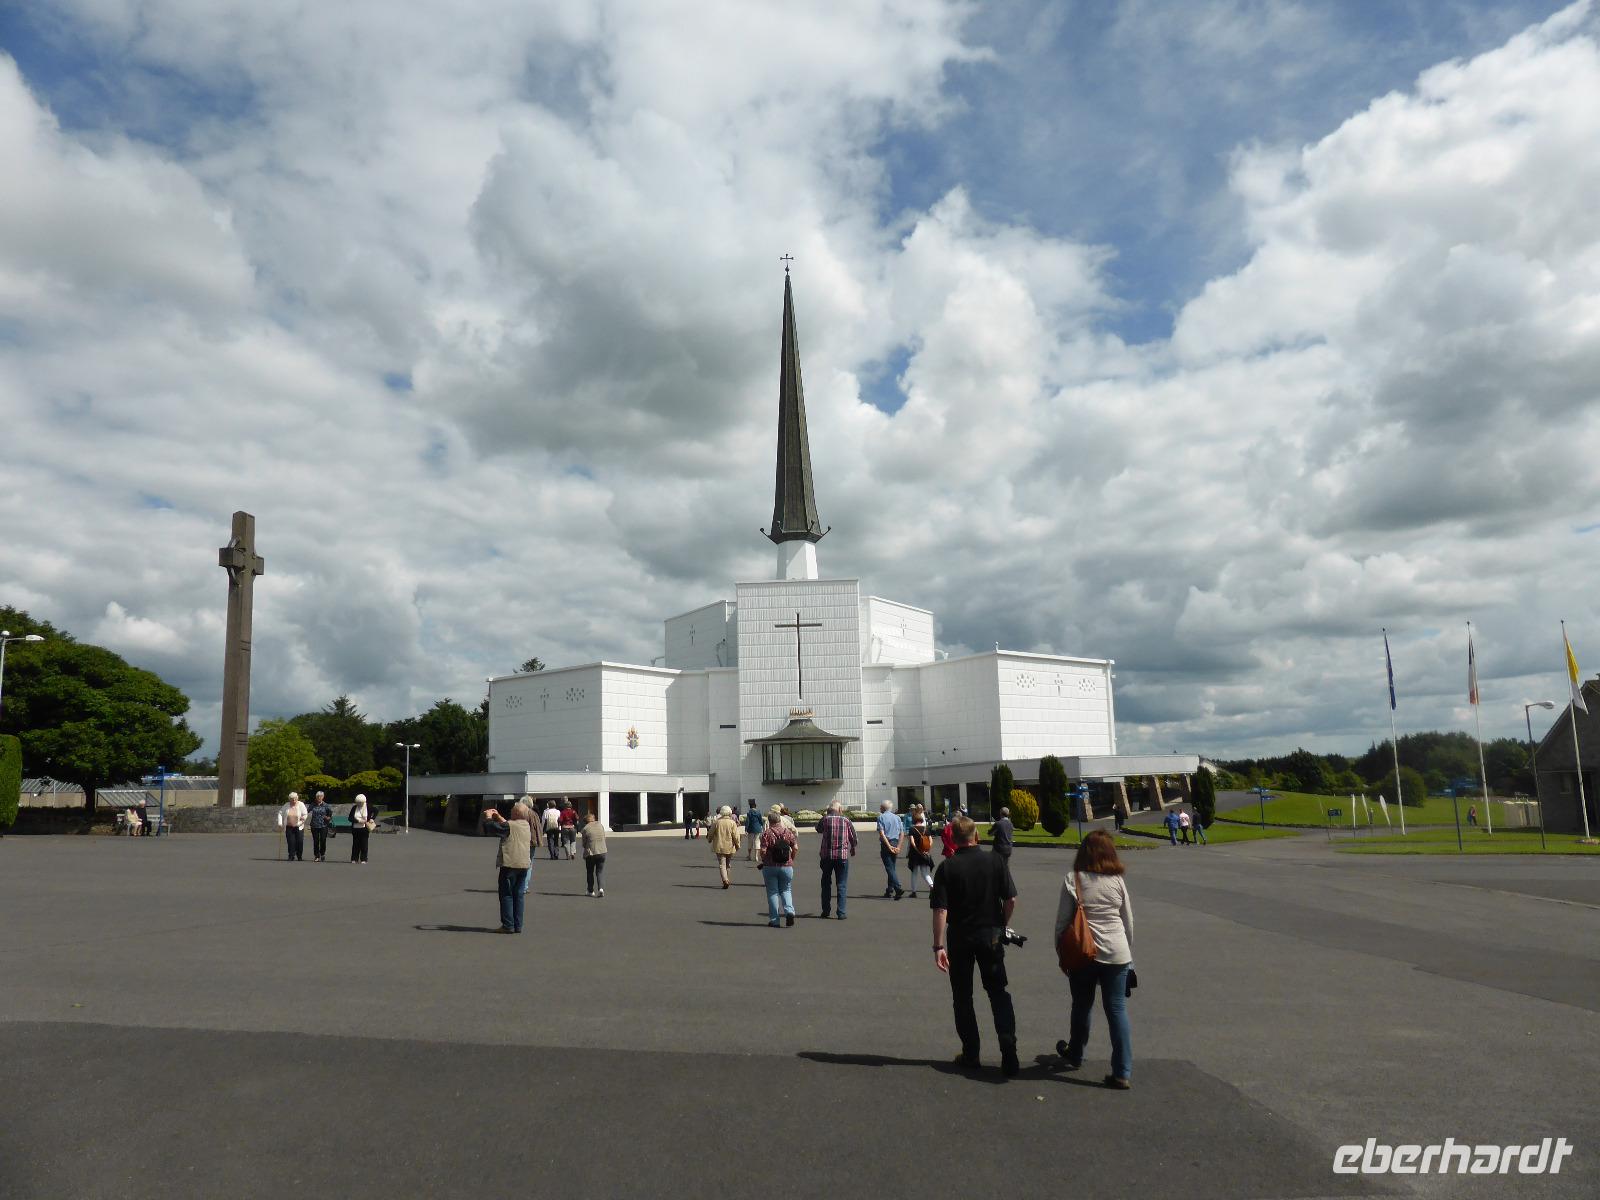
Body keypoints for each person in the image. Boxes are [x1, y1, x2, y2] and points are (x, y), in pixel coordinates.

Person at [929, 815, 1019, 1075]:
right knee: (998, 992)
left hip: (961, 936)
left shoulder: (948, 868)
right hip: (990, 933)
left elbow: (941, 910)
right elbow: (1011, 899)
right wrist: (1002, 924)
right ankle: (1008, 1049)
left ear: (953, 839)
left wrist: (938, 946)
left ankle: (971, 1052)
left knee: (963, 996)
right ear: (976, 836)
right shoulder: (996, 861)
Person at [1055, 829, 1134, 1089]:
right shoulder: (1117, 880)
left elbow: (1063, 923)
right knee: (1117, 1010)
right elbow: (1128, 921)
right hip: (1117, 951)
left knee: (1082, 1004)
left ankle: (1076, 1052)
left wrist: (1061, 953)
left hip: (1083, 952)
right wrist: (1127, 954)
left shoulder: (1073, 878)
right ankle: (1122, 1071)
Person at [484, 803, 533, 933]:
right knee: (519, 895)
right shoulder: (525, 825)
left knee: (506, 894)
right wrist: (499, 816)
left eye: (512, 811)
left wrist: (489, 817)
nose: (510, 813)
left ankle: (508, 925)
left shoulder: (511, 826)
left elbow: (492, 828)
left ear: (516, 814)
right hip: (524, 864)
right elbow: (508, 825)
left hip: (510, 863)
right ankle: (518, 925)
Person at [815, 800, 858, 919]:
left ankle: (826, 910)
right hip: (842, 856)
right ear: (840, 809)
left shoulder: (825, 819)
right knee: (841, 884)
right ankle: (841, 912)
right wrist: (853, 848)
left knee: (826, 883)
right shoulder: (846, 820)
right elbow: (853, 837)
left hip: (827, 856)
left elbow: (818, 829)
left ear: (830, 809)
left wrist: (826, 814)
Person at [758, 808, 798, 927]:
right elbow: (795, 847)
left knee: (773, 892)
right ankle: (789, 911)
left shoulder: (767, 833)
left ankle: (775, 920)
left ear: (769, 822)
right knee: (786, 889)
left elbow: (763, 850)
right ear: (780, 820)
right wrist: (792, 859)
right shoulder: (787, 832)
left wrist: (764, 860)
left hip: (770, 866)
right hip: (786, 866)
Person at [876, 799, 905, 900]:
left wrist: (888, 846)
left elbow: (882, 834)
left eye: (880, 806)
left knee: (889, 868)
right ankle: (889, 889)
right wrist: (898, 847)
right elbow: (902, 833)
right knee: (892, 867)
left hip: (886, 844)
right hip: (895, 842)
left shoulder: (881, 817)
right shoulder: (897, 818)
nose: (879, 808)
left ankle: (897, 888)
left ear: (883, 808)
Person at [708, 805, 742, 888]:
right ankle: (727, 878)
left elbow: (711, 833)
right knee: (728, 864)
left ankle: (725, 880)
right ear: (730, 812)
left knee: (722, 864)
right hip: (730, 846)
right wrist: (738, 845)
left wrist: (710, 839)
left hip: (719, 846)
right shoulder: (732, 822)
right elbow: (736, 836)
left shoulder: (717, 822)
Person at [906, 804, 935, 898]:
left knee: (914, 873)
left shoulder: (912, 829)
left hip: (915, 854)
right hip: (925, 852)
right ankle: (932, 887)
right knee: (925, 873)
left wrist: (917, 850)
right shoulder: (926, 829)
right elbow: (931, 841)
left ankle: (914, 892)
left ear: (914, 820)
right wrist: (926, 850)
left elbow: (912, 842)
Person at [581, 810, 608, 897]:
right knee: (599, 872)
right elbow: (604, 837)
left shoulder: (585, 828)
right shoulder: (600, 825)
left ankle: (590, 891)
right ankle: (601, 889)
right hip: (602, 851)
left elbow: (584, 844)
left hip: (591, 853)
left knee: (590, 872)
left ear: (586, 821)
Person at [279, 792, 308, 862]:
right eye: (292, 799)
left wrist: (300, 822)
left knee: (300, 841)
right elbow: (280, 813)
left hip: (299, 826)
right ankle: (291, 856)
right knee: (291, 842)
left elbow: (305, 814)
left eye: (295, 799)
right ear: (289, 799)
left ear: (297, 798)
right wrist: (280, 823)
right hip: (289, 827)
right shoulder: (286, 805)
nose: (294, 800)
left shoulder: (301, 804)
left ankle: (299, 856)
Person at [307, 791, 334, 862]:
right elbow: (306, 811)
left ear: (323, 797)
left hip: (323, 825)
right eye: (318, 796)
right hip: (314, 825)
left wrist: (328, 817)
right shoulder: (312, 804)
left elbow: (330, 814)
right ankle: (316, 855)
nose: (319, 798)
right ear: (316, 797)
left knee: (323, 840)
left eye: (320, 796)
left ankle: (322, 854)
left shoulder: (326, 805)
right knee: (316, 841)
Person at [348, 794, 373, 863]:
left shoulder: (368, 807)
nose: (359, 804)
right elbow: (350, 818)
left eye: (361, 802)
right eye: (358, 802)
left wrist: (372, 819)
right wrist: (358, 821)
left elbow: (376, 811)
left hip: (364, 829)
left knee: (364, 844)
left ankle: (364, 859)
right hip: (355, 828)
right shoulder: (354, 808)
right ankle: (354, 858)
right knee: (355, 844)